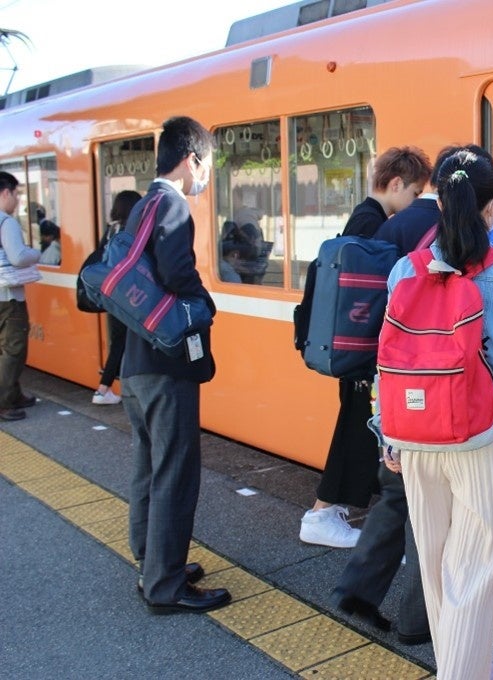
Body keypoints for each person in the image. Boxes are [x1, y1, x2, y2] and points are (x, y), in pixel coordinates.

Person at [373, 149, 493, 679]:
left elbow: (387, 363)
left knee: (435, 566)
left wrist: (388, 436)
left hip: (414, 437)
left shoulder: (404, 271)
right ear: (492, 208)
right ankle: (462, 673)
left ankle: (470, 662)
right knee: (474, 569)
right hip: (483, 436)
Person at [329, 144, 464, 644]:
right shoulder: (454, 229)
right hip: (436, 381)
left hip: (394, 378)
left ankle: (359, 589)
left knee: (396, 491)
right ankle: (417, 620)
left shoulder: (394, 227)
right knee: (436, 507)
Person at [121, 116, 230, 614]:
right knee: (175, 472)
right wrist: (204, 302)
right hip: (167, 366)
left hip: (136, 363)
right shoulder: (172, 203)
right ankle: (164, 585)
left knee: (149, 466)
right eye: (207, 164)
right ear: (193, 160)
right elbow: (176, 272)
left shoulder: (142, 204)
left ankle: (152, 562)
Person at [299, 146, 432, 548]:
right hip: (361, 352)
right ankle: (323, 513)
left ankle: (328, 512)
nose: (411, 206)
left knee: (357, 430)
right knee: (357, 431)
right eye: (412, 194)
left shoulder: (364, 217)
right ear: (395, 184)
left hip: (351, 347)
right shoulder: (373, 223)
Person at [93, 190, 142, 405]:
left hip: (110, 293)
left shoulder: (111, 229)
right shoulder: (130, 232)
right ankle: (103, 390)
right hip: (127, 296)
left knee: (119, 341)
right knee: (123, 342)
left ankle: (114, 387)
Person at [0, 171, 41, 421]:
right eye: (16, 194)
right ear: (5, 192)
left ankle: (14, 394)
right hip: (8, 297)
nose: (17, 201)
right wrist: (35, 253)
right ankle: (4, 402)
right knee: (13, 349)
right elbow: (18, 257)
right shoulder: (6, 222)